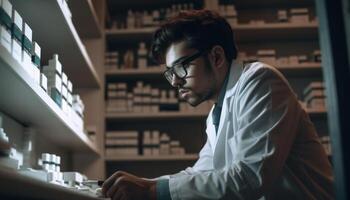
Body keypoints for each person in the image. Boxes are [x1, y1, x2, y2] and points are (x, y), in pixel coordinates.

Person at [102, 10, 334, 200]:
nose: (175, 81)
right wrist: (144, 184)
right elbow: (202, 173)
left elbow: (250, 176)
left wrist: (152, 191)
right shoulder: (216, 112)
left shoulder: (261, 80)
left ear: (216, 57)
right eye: (170, 73)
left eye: (181, 67)